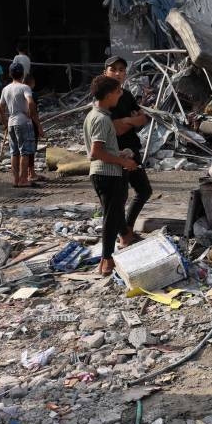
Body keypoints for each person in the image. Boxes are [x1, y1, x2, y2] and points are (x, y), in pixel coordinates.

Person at [83, 76, 139, 275]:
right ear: (108, 96)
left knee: (113, 215)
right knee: (111, 217)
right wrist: (123, 161)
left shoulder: (96, 115)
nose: (120, 95)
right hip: (107, 174)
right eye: (117, 92)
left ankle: (116, 246)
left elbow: (103, 149)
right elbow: (96, 152)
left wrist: (120, 154)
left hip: (107, 172)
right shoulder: (100, 118)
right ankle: (106, 260)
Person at [103, 56, 152, 239]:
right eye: (113, 69)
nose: (117, 73)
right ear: (105, 72)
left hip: (132, 149)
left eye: (121, 70)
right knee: (119, 199)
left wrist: (127, 121)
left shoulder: (127, 95)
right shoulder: (104, 98)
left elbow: (143, 118)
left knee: (144, 191)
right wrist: (132, 121)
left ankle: (127, 229)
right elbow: (116, 129)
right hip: (116, 154)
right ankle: (123, 235)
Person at [0, 62, 37, 188]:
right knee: (24, 151)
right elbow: (30, 103)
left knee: (14, 152)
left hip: (11, 122)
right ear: (23, 74)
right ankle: (23, 179)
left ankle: (16, 180)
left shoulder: (5, 89)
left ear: (10, 74)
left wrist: (4, 123)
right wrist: (30, 115)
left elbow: (0, 109)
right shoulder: (25, 88)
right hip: (23, 121)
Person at [22, 74, 45, 184]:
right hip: (30, 123)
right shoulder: (32, 95)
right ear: (32, 83)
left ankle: (23, 174)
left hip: (18, 122)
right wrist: (39, 126)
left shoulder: (16, 92)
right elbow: (34, 112)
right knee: (31, 148)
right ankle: (31, 172)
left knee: (21, 149)